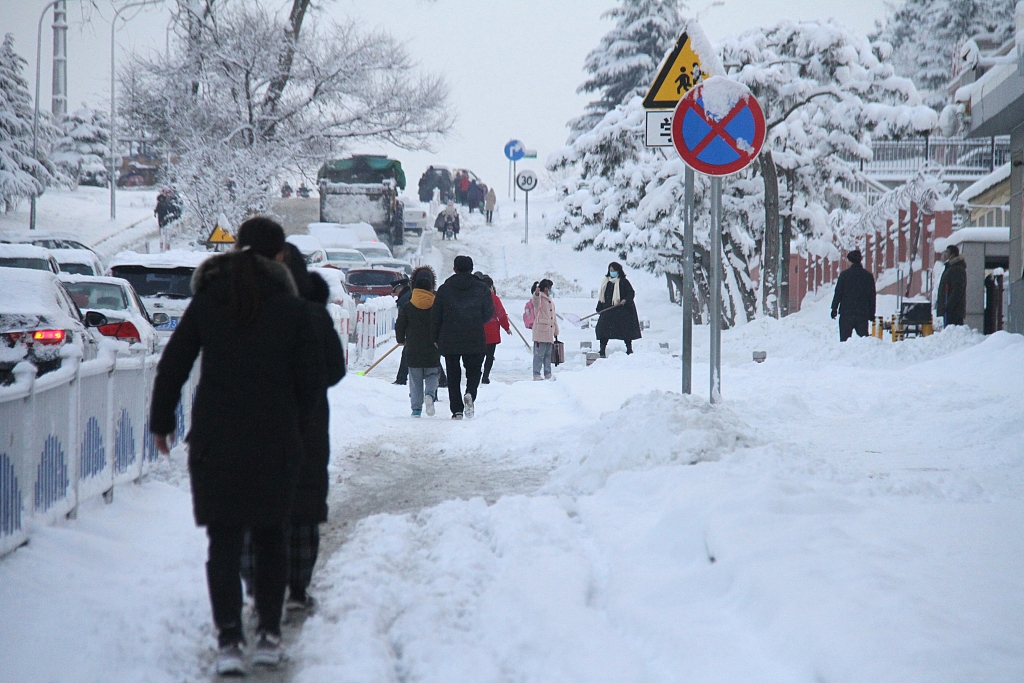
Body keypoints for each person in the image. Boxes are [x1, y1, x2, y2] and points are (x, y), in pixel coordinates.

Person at [150, 217, 319, 674]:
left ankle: (229, 640)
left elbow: (174, 363)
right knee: (271, 538)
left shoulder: (207, 299)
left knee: (222, 543)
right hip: (274, 441)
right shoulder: (292, 308)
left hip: (215, 441)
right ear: (280, 255)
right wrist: (299, 433)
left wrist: (161, 421)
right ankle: (267, 634)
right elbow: (310, 383)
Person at [278, 244, 345, 611]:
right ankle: (297, 588)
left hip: (256, 424)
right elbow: (335, 370)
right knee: (302, 504)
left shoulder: (246, 311)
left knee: (259, 505)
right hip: (308, 422)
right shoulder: (314, 315)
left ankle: (260, 586)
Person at [432, 255, 494, 419]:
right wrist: (475, 320)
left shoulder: (445, 289)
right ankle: (470, 394)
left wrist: (435, 337)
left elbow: (436, 315)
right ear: (471, 269)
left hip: (449, 336)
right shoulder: (482, 289)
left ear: (455, 269)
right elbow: (488, 313)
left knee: (453, 373)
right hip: (474, 335)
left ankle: (457, 409)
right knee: (474, 371)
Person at [395, 266, 441, 417]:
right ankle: (430, 395)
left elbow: (400, 324)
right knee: (433, 374)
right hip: (432, 347)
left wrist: (401, 340)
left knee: (415, 380)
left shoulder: (408, 306)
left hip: (413, 348)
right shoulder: (436, 306)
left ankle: (416, 409)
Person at [595, 262, 642, 357]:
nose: (612, 272)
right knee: (603, 330)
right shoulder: (606, 282)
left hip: (622, 312)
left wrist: (625, 300)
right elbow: (602, 296)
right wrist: (599, 308)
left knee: (625, 331)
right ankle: (602, 350)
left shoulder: (624, 282)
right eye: (610, 270)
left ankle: (629, 349)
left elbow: (631, 293)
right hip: (608, 310)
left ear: (618, 271)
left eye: (614, 270)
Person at [830, 249, 876, 341]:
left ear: (850, 261)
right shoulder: (868, 276)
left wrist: (834, 309)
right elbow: (872, 296)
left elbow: (838, 293)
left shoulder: (844, 275)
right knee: (864, 341)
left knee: (844, 341)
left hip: (846, 313)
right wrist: (872, 313)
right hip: (862, 313)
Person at [480, 274, 510, 384]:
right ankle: (485, 376)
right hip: (492, 331)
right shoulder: (494, 298)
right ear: (491, 286)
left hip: (478, 331)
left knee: (479, 355)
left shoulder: (477, 297)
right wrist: (506, 328)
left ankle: (477, 373)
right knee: (489, 356)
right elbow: (501, 314)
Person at [531, 279, 558, 380]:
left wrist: (556, 330)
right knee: (539, 355)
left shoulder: (549, 299)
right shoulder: (540, 298)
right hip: (541, 331)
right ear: (546, 288)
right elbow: (536, 302)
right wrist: (536, 293)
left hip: (549, 332)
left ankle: (548, 373)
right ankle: (536, 374)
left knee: (548, 355)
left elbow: (553, 316)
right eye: (550, 288)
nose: (551, 290)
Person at [936, 244, 967, 327]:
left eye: (947, 252)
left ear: (952, 255)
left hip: (954, 311)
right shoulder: (950, 267)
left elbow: (957, 289)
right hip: (948, 310)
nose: (945, 254)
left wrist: (949, 306)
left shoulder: (956, 268)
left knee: (953, 332)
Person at [392, 278, 412, 385]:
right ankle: (442, 380)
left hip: (412, 332)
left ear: (401, 288)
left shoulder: (404, 299)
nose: (395, 294)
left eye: (395, 291)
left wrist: (402, 336)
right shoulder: (409, 294)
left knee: (407, 354)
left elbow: (402, 320)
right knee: (428, 354)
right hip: (420, 330)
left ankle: (401, 378)